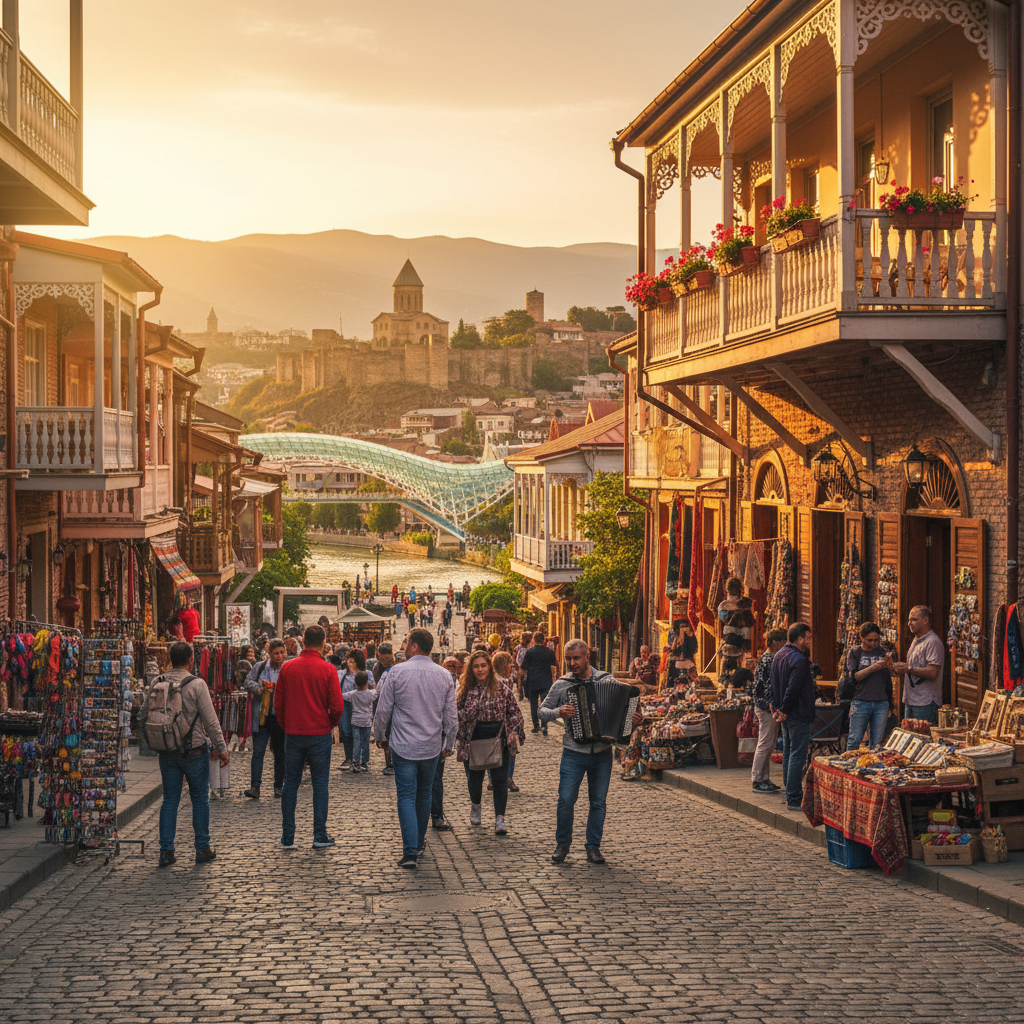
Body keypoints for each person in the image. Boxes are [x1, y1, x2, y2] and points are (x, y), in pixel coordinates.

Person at [540, 638, 643, 865]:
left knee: (598, 802)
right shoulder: (562, 684)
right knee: (566, 799)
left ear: (587, 656)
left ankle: (593, 847)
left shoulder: (606, 680)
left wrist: (634, 719)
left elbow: (626, 711)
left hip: (602, 753)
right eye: (568, 659)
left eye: (576, 658)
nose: (572, 663)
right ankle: (562, 844)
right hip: (573, 752)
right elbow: (542, 711)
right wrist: (559, 711)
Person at [139, 641, 229, 867]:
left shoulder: (156, 682)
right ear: (191, 660)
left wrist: (155, 738)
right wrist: (222, 748)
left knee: (170, 799)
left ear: (169, 659)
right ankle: (202, 848)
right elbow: (210, 720)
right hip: (194, 750)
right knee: (199, 799)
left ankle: (166, 851)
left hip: (167, 750)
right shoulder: (197, 684)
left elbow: (142, 716)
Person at [373, 628, 458, 868]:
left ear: (413, 647)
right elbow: (451, 717)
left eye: (406, 641)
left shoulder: (396, 673)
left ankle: (410, 851)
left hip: (403, 745)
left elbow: (383, 710)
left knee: (406, 796)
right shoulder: (444, 676)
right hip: (431, 746)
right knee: (424, 793)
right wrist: (449, 744)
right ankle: (418, 843)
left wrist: (380, 736)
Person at [274, 624, 344, 849]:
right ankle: (319, 834)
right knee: (320, 784)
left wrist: (287, 725)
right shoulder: (328, 669)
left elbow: (279, 704)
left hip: (294, 732)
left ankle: (287, 836)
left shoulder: (287, 667)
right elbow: (337, 706)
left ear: (303, 640)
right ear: (323, 644)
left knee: (290, 782)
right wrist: (329, 723)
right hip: (319, 732)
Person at [455, 650, 525, 836]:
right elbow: (455, 714)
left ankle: (500, 818)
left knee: (500, 780)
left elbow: (514, 711)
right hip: (473, 739)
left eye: (483, 665)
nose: (480, 669)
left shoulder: (502, 687)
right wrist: (467, 714)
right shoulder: (464, 689)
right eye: (476, 666)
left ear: (489, 667)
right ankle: (475, 807)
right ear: (471, 669)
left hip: (497, 738)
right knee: (474, 779)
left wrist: (514, 731)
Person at [769, 622, 815, 812]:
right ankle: (794, 797)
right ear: (800, 639)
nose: (810, 642)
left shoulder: (779, 655)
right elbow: (793, 688)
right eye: (809, 638)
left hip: (786, 714)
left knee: (789, 753)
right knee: (796, 755)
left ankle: (791, 792)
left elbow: (773, 686)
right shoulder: (798, 659)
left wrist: (778, 708)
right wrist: (784, 708)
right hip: (797, 713)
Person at [243, 639, 288, 800]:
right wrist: (258, 689)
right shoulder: (259, 667)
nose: (279, 655)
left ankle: (279, 786)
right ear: (269, 654)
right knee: (258, 752)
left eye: (282, 652)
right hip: (261, 716)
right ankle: (255, 786)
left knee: (280, 753)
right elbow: (247, 681)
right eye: (276, 653)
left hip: (280, 717)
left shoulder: (287, 668)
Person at [844, 621, 895, 749]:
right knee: (855, 739)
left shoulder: (882, 652)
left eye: (876, 640)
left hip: (881, 702)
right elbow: (854, 677)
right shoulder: (855, 652)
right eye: (869, 640)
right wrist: (873, 668)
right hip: (861, 701)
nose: (873, 643)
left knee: (877, 743)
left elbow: (890, 677)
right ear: (861, 638)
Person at [893, 605, 945, 726]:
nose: (909, 623)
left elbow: (933, 672)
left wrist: (908, 669)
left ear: (926, 621)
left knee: (923, 737)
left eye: (914, 620)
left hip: (925, 701)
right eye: (909, 620)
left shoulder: (932, 642)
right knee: (910, 738)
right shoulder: (917, 639)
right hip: (911, 699)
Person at [751, 629, 786, 793]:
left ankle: (763, 777)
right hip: (766, 707)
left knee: (768, 743)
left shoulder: (767, 658)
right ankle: (758, 779)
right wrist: (773, 705)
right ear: (777, 643)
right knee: (765, 743)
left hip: (764, 705)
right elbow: (769, 686)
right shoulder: (770, 659)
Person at [491, 651, 521, 793]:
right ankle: (501, 778)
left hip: (507, 720)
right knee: (499, 749)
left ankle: (505, 778)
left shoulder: (508, 678)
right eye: (509, 662)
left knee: (507, 749)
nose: (512, 665)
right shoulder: (496, 680)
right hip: (500, 720)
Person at [521, 631, 558, 735]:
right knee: (544, 704)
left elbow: (524, 667)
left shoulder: (530, 652)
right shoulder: (549, 652)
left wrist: (521, 681)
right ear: (544, 640)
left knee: (533, 704)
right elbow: (554, 667)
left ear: (534, 639)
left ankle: (536, 725)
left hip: (533, 681)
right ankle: (544, 725)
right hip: (546, 681)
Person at [337, 649, 366, 768]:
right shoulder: (342, 674)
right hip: (345, 704)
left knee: (359, 732)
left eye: (353, 662)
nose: (351, 664)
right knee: (345, 731)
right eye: (349, 661)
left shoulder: (366, 674)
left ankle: (359, 758)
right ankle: (348, 757)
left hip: (359, 705)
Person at [347, 671, 375, 772]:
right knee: (365, 742)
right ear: (367, 682)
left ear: (355, 683)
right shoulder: (371, 694)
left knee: (356, 742)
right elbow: (379, 690)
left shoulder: (352, 694)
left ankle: (355, 762)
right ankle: (364, 762)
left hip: (355, 721)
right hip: (366, 722)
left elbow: (341, 696)